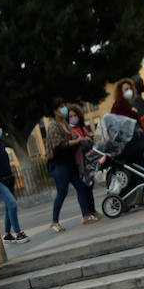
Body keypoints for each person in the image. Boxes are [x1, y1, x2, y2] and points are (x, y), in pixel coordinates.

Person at [44, 99, 100, 233]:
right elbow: (58, 144)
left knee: (81, 187)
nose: (64, 109)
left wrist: (84, 138)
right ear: (54, 111)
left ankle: (86, 216)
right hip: (59, 164)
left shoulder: (65, 124)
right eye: (61, 107)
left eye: (64, 106)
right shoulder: (53, 126)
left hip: (70, 163)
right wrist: (75, 141)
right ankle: (54, 221)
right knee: (62, 193)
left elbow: (75, 136)